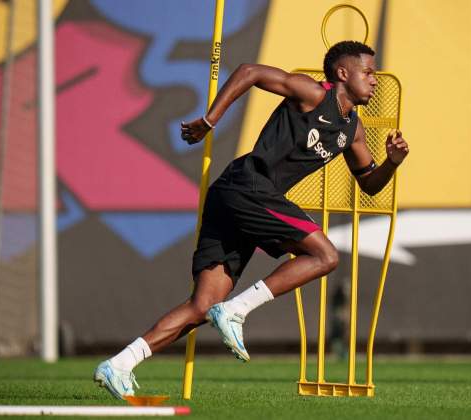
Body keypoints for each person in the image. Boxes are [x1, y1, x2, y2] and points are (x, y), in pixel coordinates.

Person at [93, 40, 409, 399]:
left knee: (202, 306)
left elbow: (369, 184)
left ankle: (119, 364)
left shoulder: (354, 130)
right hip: (249, 185)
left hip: (241, 196)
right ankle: (236, 311)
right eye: (367, 72)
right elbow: (250, 72)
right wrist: (209, 120)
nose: (374, 80)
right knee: (326, 256)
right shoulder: (311, 93)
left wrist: (392, 163)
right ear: (342, 73)